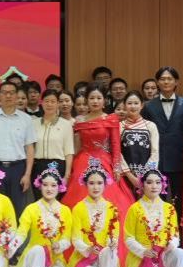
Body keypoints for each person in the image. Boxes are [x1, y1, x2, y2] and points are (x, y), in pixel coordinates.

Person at [2, 163, 72, 267]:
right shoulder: (31, 208)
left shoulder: (65, 211)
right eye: (45, 185)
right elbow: (21, 233)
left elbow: (67, 238)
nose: (49, 189)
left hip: (55, 258)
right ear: (40, 185)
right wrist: (11, 248)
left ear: (59, 187)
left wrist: (59, 245)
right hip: (34, 255)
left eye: (53, 185)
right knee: (39, 250)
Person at [122, 168, 183, 267]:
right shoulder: (134, 208)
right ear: (142, 185)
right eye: (149, 182)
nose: (154, 186)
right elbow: (129, 238)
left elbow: (175, 235)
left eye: (158, 182)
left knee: (181, 254)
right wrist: (143, 251)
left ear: (162, 185)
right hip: (142, 256)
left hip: (162, 254)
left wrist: (171, 245)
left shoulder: (169, 208)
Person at [66, 84, 128, 216]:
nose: (95, 101)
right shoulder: (79, 120)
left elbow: (116, 145)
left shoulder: (111, 119)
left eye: (99, 98)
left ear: (104, 100)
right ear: (87, 100)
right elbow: (77, 145)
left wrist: (117, 167)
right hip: (82, 160)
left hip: (104, 160)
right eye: (92, 98)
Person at [65, 160, 122, 267]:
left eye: (99, 183)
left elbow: (114, 234)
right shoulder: (78, 208)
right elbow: (76, 239)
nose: (96, 187)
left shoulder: (111, 208)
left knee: (109, 251)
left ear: (105, 184)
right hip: (84, 257)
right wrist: (88, 249)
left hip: (104, 256)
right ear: (85, 184)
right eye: (91, 183)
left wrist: (112, 242)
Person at [142, 66, 183, 209]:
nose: (166, 82)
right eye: (162, 79)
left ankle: (178, 223)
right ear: (157, 82)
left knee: (179, 199)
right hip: (157, 160)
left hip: (180, 160)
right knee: (156, 199)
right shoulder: (148, 106)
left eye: (169, 79)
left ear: (176, 82)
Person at [0, 80, 37, 213]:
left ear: (17, 95)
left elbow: (30, 148)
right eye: (4, 93)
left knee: (17, 208)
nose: (8, 96)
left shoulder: (26, 119)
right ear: (0, 95)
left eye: (11, 93)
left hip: (18, 169)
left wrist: (27, 174)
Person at [32, 91, 75, 197]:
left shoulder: (66, 125)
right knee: (39, 199)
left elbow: (69, 151)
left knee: (56, 200)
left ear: (57, 104)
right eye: (46, 101)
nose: (49, 104)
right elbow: (30, 149)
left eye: (53, 101)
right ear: (41, 103)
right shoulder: (34, 123)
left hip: (57, 166)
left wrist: (67, 175)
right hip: (38, 166)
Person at [118, 92, 159, 199]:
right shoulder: (119, 126)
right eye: (129, 103)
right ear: (124, 105)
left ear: (142, 105)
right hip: (125, 176)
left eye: (136, 103)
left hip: (147, 178)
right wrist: (129, 175)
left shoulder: (151, 126)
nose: (133, 106)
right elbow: (117, 152)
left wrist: (145, 177)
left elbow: (155, 152)